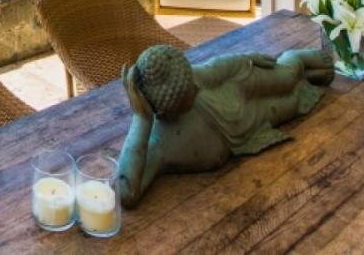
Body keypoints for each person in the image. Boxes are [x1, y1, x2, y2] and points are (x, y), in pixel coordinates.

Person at [117, 44, 335, 207]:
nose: (195, 89)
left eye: (192, 84)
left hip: (235, 86)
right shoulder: (157, 142)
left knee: (287, 78)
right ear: (164, 110)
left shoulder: (192, 78)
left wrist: (248, 58)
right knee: (293, 102)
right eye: (187, 96)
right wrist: (141, 119)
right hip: (243, 128)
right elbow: (126, 192)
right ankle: (306, 75)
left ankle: (293, 57)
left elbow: (219, 67)